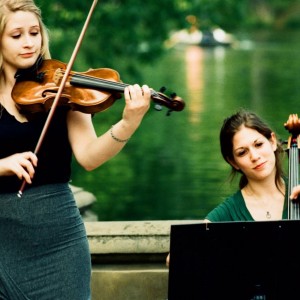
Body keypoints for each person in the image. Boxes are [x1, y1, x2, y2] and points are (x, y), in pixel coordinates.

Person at [0, 0, 152, 299]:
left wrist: (128, 122)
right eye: (16, 36)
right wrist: (3, 165)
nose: (29, 43)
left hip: (60, 241)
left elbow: (90, 156)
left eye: (35, 33)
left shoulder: (63, 87)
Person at [166, 109, 300, 267]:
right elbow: (173, 259)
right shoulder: (229, 211)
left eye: (258, 144)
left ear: (272, 141)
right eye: (242, 153)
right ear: (233, 162)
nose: (255, 156)